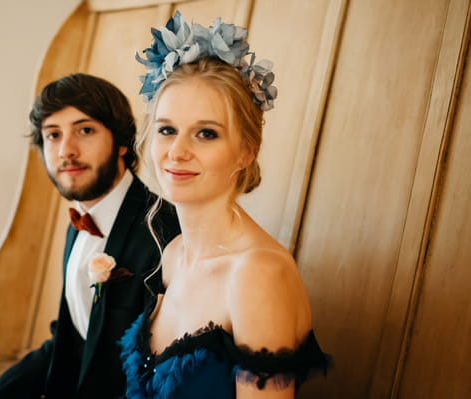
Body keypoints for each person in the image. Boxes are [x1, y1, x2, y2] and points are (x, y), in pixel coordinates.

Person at [119, 12, 330, 398]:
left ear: (245, 152)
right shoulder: (175, 253)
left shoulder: (257, 274)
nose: (177, 152)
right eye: (167, 129)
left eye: (206, 133)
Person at [0, 73, 180, 399]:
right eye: (53, 135)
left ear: (122, 142)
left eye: (84, 130)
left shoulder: (165, 234)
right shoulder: (81, 220)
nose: (65, 151)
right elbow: (70, 340)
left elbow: (164, 378)